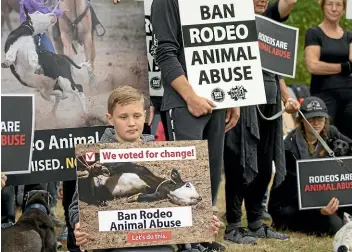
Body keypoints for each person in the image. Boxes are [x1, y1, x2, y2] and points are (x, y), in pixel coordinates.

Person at [69, 85, 221, 252]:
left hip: (160, 242)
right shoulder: (95, 155)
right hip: (114, 244)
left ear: (147, 116)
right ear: (110, 118)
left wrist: (205, 221)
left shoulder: (160, 152)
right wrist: (79, 223)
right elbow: (76, 206)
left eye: (137, 116)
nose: (132, 123)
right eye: (123, 117)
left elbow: (181, 210)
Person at [223, 0, 300, 245]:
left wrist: (288, 97)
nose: (262, 0)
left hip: (270, 103)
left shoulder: (270, 25)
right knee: (238, 163)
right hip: (241, 102)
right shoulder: (229, 20)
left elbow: (276, 73)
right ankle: (234, 225)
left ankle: (256, 223)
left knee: (265, 165)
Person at [268, 96, 352, 236]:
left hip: (326, 194)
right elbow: (290, 189)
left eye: (320, 118)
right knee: (334, 226)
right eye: (311, 118)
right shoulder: (288, 146)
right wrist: (318, 208)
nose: (316, 123)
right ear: (301, 119)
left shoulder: (332, 132)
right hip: (292, 204)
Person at [304, 0, 352, 139]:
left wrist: (329, 67)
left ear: (344, 10)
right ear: (323, 7)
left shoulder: (349, 35)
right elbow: (313, 66)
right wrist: (343, 67)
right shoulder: (314, 33)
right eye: (330, 4)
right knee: (327, 136)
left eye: (338, 5)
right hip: (324, 94)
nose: (334, 9)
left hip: (349, 94)